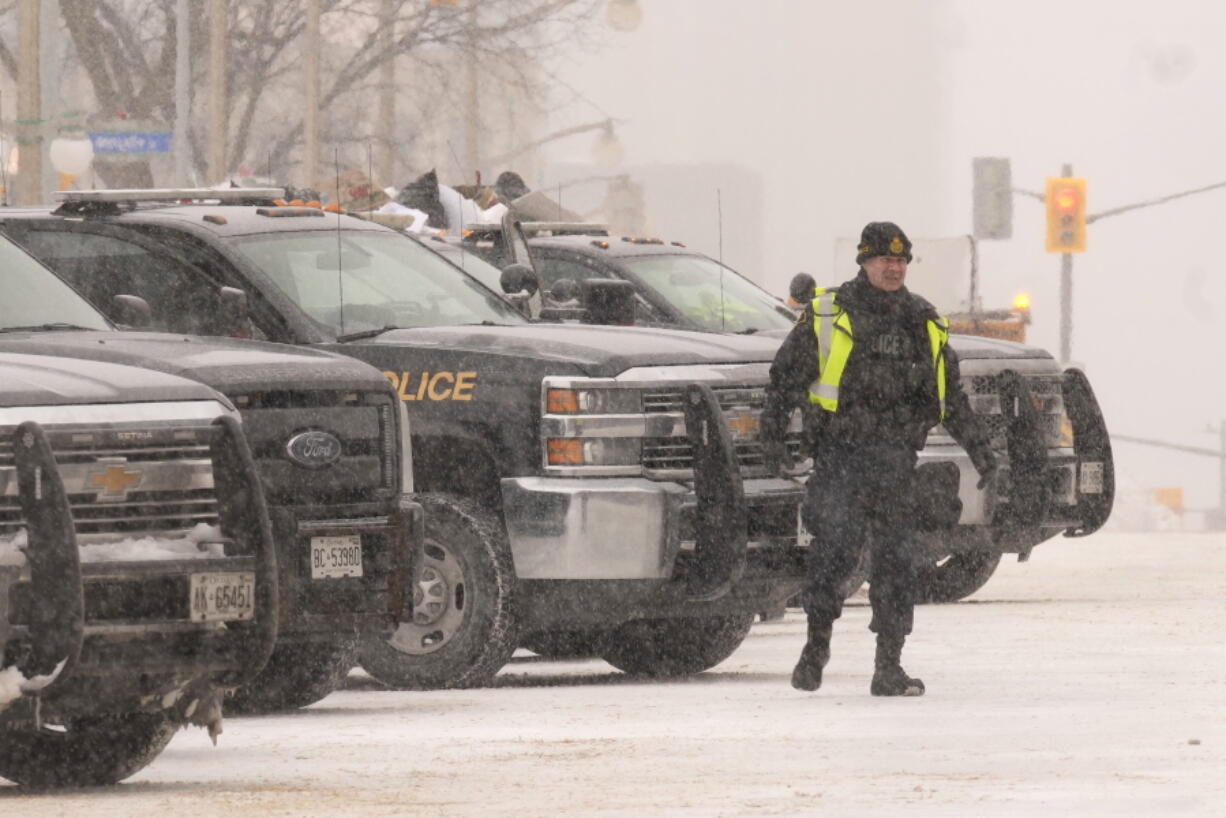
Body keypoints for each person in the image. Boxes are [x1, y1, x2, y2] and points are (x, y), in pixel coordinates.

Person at [760, 221, 997, 696]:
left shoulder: (922, 321)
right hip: (840, 459)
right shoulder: (828, 314)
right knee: (833, 558)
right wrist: (771, 437)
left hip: (895, 463)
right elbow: (784, 379)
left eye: (900, 260)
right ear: (864, 262)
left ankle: (889, 667)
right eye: (884, 260)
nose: (893, 268)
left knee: (896, 566)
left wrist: (981, 449)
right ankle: (815, 649)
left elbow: (950, 396)